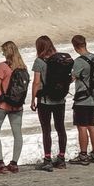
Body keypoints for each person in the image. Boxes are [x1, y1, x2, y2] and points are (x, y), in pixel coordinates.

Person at [31, 35, 71, 171]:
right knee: (61, 128)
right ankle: (61, 159)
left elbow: (36, 82)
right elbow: (69, 78)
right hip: (60, 99)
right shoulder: (61, 59)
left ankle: (47, 159)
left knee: (46, 130)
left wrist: (32, 99)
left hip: (45, 100)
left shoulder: (39, 61)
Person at [0, 41, 27, 173]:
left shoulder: (2, 66)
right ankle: (14, 163)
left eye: (3, 51)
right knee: (17, 134)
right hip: (17, 106)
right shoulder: (23, 67)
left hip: (2, 105)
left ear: (6, 52)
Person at [70, 34, 94, 165]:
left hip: (82, 98)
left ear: (75, 46)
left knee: (82, 127)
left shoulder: (79, 61)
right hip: (93, 97)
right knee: (91, 125)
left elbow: (72, 77)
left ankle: (83, 155)